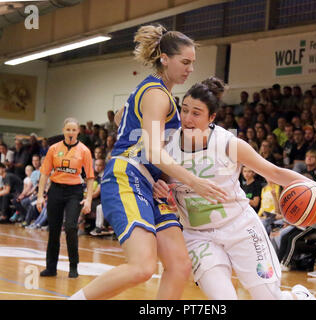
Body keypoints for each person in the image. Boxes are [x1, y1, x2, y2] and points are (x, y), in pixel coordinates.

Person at [69, 24, 227, 301]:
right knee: (142, 267)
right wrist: (194, 181)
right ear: (165, 58)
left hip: (151, 181)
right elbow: (152, 152)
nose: (190, 69)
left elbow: (121, 118)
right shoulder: (157, 94)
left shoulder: (155, 91)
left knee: (179, 266)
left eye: (193, 63)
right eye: (185, 62)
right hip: (128, 175)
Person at [154, 78, 316, 300]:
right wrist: (159, 189)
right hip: (198, 236)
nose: (187, 118)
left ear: (212, 118)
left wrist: (313, 187)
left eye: (196, 113)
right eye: (185, 110)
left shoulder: (229, 143)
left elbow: (274, 173)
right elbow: (162, 187)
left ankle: (298, 297)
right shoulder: (166, 146)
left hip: (240, 227)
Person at [36, 117, 94, 278]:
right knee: (53, 229)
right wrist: (40, 196)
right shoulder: (53, 149)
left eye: (74, 130)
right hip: (55, 190)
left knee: (70, 227)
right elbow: (44, 174)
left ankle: (73, 266)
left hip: (74, 192)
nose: (70, 132)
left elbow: (90, 177)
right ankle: (51, 268)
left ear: (78, 132)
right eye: (68, 129)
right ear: (63, 131)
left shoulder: (84, 150)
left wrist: (88, 199)